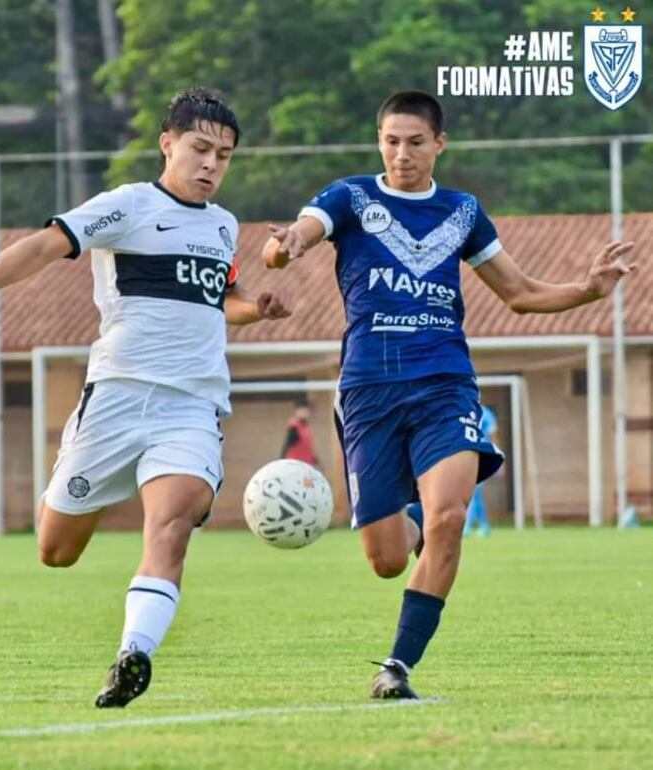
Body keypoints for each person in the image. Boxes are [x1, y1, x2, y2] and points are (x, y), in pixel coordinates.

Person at [0, 87, 291, 708]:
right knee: (56, 549)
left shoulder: (222, 227)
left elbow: (223, 300)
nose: (211, 165)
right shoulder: (129, 206)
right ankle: (110, 494)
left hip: (190, 407)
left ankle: (132, 654)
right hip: (114, 399)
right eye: (200, 149)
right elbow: (42, 245)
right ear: (167, 144)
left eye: (224, 155)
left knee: (169, 527)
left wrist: (257, 308)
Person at [262, 90, 636, 700]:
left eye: (415, 141)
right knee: (386, 559)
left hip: (445, 383)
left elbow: (519, 293)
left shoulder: (463, 212)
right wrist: (287, 244)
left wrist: (588, 289)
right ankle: (412, 517)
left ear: (440, 144)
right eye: (391, 141)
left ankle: (396, 668)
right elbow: (296, 235)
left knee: (451, 520)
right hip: (368, 390)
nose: (402, 154)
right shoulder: (351, 197)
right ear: (378, 142)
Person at [464, 404, 498, 537]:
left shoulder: (486, 413)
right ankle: (483, 526)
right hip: (468, 456)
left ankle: (471, 526)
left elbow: (494, 434)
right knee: (475, 495)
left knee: (474, 494)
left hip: (481, 457)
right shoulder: (466, 409)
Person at [280, 399, 319, 467]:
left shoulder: (305, 427)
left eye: (308, 410)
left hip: (305, 464)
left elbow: (306, 447)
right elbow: (287, 445)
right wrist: (281, 461)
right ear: (298, 411)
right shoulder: (294, 427)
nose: (307, 413)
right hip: (296, 465)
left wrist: (314, 459)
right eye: (304, 410)